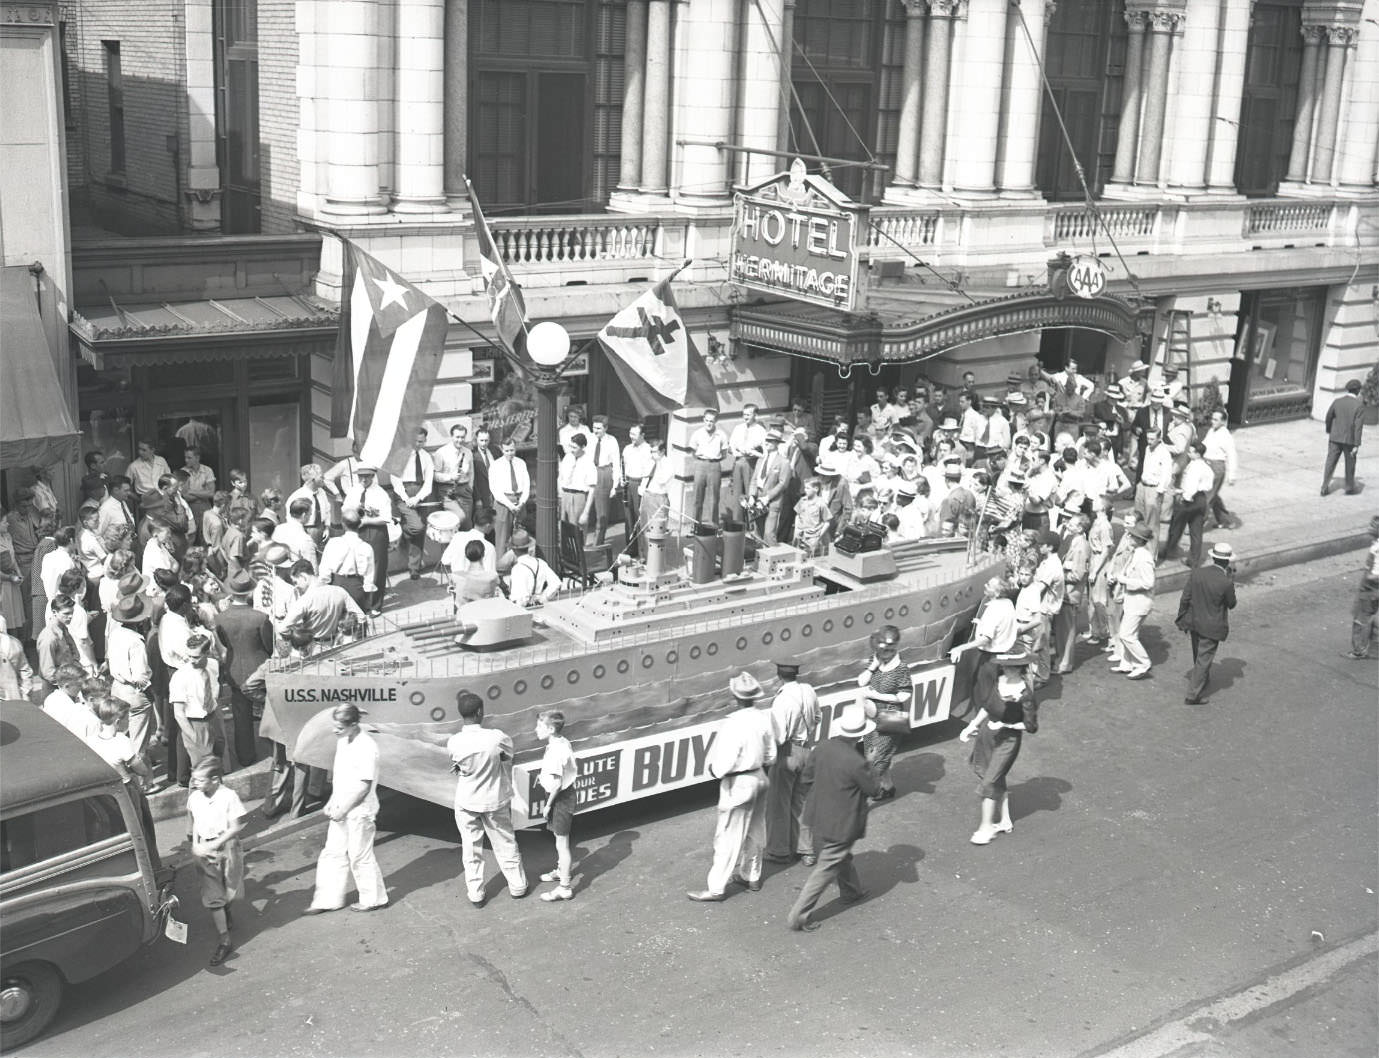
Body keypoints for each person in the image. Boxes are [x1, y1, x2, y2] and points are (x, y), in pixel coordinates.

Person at [785, 700, 877, 932]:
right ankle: (797, 916)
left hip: (817, 815)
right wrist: (871, 763)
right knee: (826, 868)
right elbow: (874, 790)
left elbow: (806, 779)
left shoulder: (822, 748)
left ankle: (852, 891)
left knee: (839, 858)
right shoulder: (857, 762)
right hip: (842, 824)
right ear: (858, 736)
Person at [687, 672, 776, 902]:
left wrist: (714, 771)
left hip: (739, 783)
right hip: (760, 776)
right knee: (756, 829)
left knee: (727, 836)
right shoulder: (763, 717)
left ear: (735, 697)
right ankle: (752, 875)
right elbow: (771, 754)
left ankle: (716, 888)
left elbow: (723, 763)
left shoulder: (732, 724)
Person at [304, 704, 390, 914]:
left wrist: (343, 809)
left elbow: (364, 787)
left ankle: (374, 899)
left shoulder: (367, 747)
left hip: (360, 809)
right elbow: (342, 776)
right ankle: (327, 899)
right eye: (334, 726)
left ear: (353, 725)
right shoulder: (344, 740)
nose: (335, 731)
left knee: (359, 855)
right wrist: (333, 802)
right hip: (341, 806)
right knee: (332, 852)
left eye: (340, 727)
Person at [447, 690, 528, 906]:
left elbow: (458, 764)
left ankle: (476, 892)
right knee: (505, 842)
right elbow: (509, 754)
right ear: (480, 711)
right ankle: (517, 885)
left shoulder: (454, 741)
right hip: (494, 799)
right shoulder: (495, 737)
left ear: (461, 714)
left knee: (471, 848)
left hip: (466, 801)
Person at [959, 648, 1039, 844]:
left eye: (1013, 667)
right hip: (987, 735)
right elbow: (987, 707)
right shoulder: (999, 682)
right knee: (995, 777)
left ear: (1021, 668)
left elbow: (1030, 726)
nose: (1007, 670)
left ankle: (986, 827)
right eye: (1005, 666)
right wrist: (972, 725)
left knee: (988, 783)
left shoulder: (1025, 693)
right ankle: (1005, 820)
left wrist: (1005, 724)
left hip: (1008, 741)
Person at [186, 757, 247, 966]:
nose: (195, 784)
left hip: (227, 847)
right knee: (214, 897)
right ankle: (225, 940)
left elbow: (235, 827)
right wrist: (196, 844)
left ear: (215, 779)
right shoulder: (195, 797)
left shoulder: (229, 796)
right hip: (205, 849)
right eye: (194, 779)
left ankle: (226, 908)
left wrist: (215, 844)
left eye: (200, 780)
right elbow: (195, 823)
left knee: (230, 889)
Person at [763, 659, 821, 867]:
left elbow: (778, 737)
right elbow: (817, 717)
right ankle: (806, 850)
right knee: (802, 802)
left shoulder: (782, 700)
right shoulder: (809, 690)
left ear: (779, 675)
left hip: (788, 752)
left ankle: (778, 851)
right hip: (807, 749)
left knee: (778, 803)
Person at [215, 570, 274, 766]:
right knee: (270, 709)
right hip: (259, 667)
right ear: (249, 592)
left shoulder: (221, 618)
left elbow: (224, 642)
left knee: (241, 717)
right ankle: (276, 753)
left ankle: (246, 756)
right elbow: (269, 645)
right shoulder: (260, 618)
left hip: (234, 670)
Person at [1176, 541, 1238, 704]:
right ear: (1227, 562)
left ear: (1213, 558)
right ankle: (1192, 695)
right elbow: (1231, 604)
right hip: (1212, 625)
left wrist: (1182, 617)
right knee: (1204, 658)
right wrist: (1231, 581)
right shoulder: (1225, 582)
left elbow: (1185, 598)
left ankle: (1202, 678)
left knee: (1198, 653)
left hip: (1194, 621)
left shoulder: (1197, 573)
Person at [856, 626, 910, 802]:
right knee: (872, 752)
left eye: (890, 650)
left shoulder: (901, 668)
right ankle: (888, 787)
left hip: (890, 717)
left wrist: (877, 695)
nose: (887, 653)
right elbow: (861, 681)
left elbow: (905, 694)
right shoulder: (875, 659)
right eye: (884, 649)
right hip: (872, 715)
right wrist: (873, 666)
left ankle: (862, 794)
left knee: (877, 759)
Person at [107, 592, 157, 768]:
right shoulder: (136, 641)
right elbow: (140, 675)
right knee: (139, 740)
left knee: (122, 733)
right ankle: (142, 779)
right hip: (133, 691)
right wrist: (149, 691)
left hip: (117, 687)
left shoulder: (115, 633)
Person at [533, 709, 578, 902]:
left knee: (562, 844)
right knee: (558, 839)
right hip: (559, 796)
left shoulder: (557, 751)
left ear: (551, 728)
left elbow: (558, 784)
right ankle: (561, 871)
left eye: (539, 726)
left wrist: (548, 806)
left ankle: (565, 887)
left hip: (560, 799)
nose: (536, 729)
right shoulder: (560, 742)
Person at [169, 632, 228, 772]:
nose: (191, 660)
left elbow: (214, 690)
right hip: (195, 724)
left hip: (213, 718)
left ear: (207, 653)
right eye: (189, 656)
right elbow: (179, 713)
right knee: (202, 771)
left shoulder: (213, 665)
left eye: (196, 657)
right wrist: (194, 737)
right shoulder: (180, 676)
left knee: (216, 765)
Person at [341, 465, 392, 616]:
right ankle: (360, 603)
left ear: (373, 476)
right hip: (357, 530)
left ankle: (375, 605)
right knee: (357, 565)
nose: (363, 479)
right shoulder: (354, 490)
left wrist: (368, 520)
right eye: (360, 476)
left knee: (376, 567)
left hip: (375, 532)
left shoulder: (381, 494)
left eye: (367, 476)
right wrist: (353, 509)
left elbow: (386, 518)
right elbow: (344, 509)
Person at [1112, 523, 1157, 680]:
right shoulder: (1137, 553)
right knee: (1129, 632)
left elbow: (1148, 583)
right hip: (1132, 600)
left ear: (1139, 539)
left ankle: (1143, 664)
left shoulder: (1144, 558)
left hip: (1140, 602)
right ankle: (1127, 663)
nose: (1129, 537)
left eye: (1132, 535)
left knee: (1126, 635)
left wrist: (1124, 579)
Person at [393, 426, 435, 580]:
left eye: (422, 442)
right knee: (416, 527)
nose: (419, 444)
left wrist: (417, 498)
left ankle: (414, 568)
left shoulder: (426, 457)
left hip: (420, 493)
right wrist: (406, 498)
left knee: (420, 531)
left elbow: (428, 483)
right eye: (416, 441)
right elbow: (395, 480)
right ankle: (404, 532)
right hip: (403, 492)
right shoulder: (401, 455)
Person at [317, 509, 377, 612]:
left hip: (336, 585)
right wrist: (366, 598)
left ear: (343, 524)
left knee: (337, 621)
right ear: (359, 525)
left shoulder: (333, 543)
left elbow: (324, 571)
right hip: (356, 587)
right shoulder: (366, 547)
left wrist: (323, 586)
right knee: (358, 621)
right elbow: (369, 576)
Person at [1165, 442, 1213, 568]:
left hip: (1188, 500)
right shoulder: (1205, 466)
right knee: (1196, 531)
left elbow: (1191, 486)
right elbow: (1209, 484)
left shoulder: (1194, 468)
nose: (1188, 453)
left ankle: (1170, 550)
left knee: (1176, 526)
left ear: (1197, 454)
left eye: (1191, 451)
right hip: (1201, 499)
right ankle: (1194, 560)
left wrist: (1182, 496)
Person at [1322, 378, 1366, 496]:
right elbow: (1358, 427)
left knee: (1330, 462)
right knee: (1350, 463)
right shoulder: (1359, 406)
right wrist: (1357, 444)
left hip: (1335, 438)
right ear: (1357, 391)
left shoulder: (1337, 401)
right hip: (1350, 440)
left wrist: (1329, 430)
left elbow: (1328, 417)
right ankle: (1349, 487)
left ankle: (1324, 487)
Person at [1345, 515, 1379, 660]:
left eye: (1373, 525)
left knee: (1360, 618)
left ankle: (1359, 650)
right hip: (1373, 590)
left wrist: (1367, 574)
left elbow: (1376, 574)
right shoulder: (1376, 543)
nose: (1369, 527)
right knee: (1370, 616)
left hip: (1370, 589)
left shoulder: (1377, 548)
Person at [490, 437, 530, 559]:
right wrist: (511, 506)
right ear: (502, 450)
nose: (510, 453)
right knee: (502, 539)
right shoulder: (495, 465)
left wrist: (522, 502)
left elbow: (526, 485)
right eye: (507, 451)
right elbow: (495, 490)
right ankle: (501, 567)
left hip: (520, 503)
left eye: (512, 450)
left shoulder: (521, 463)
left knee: (520, 537)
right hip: (503, 504)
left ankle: (520, 565)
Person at [689, 408, 727, 528]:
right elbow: (693, 451)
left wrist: (713, 461)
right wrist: (702, 460)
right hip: (700, 465)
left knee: (714, 498)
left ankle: (713, 527)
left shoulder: (721, 435)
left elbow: (724, 453)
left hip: (715, 465)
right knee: (697, 497)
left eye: (711, 421)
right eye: (706, 420)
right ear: (703, 420)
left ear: (716, 421)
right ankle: (695, 526)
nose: (709, 423)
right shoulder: (697, 433)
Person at [587, 416, 622, 546]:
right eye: (594, 427)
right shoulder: (589, 438)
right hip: (589, 471)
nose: (595, 430)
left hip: (604, 473)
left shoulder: (612, 441)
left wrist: (615, 485)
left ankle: (598, 544)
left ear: (605, 428)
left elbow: (617, 463)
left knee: (602, 513)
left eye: (599, 428)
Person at [1201, 409, 1239, 530]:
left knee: (1206, 496)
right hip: (1206, 464)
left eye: (1216, 420)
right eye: (1212, 419)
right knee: (1213, 495)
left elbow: (1232, 455)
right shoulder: (1211, 431)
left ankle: (1197, 523)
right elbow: (1204, 446)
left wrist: (1232, 475)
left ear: (1223, 421)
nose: (1213, 422)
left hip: (1216, 467)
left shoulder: (1226, 436)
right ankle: (1225, 521)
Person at [432, 424, 476, 528]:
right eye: (457, 437)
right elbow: (434, 475)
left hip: (465, 491)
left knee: (467, 525)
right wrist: (450, 477)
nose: (460, 440)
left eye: (462, 437)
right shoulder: (441, 452)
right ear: (451, 437)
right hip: (447, 492)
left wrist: (470, 487)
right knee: (459, 518)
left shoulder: (468, 452)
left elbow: (471, 472)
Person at [506, 530, 560, 606]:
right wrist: (543, 598)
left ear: (514, 550)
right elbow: (556, 583)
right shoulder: (540, 562)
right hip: (539, 605)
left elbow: (519, 597)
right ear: (528, 547)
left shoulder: (517, 569)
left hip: (521, 609)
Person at [43, 663, 97, 740]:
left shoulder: (73, 696)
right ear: (67, 686)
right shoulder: (59, 705)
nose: (83, 688)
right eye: (79, 685)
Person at [272, 497, 319, 570]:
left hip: (275, 573)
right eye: (310, 514)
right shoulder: (305, 539)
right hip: (295, 576)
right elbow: (312, 569)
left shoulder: (278, 529)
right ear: (304, 515)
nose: (310, 516)